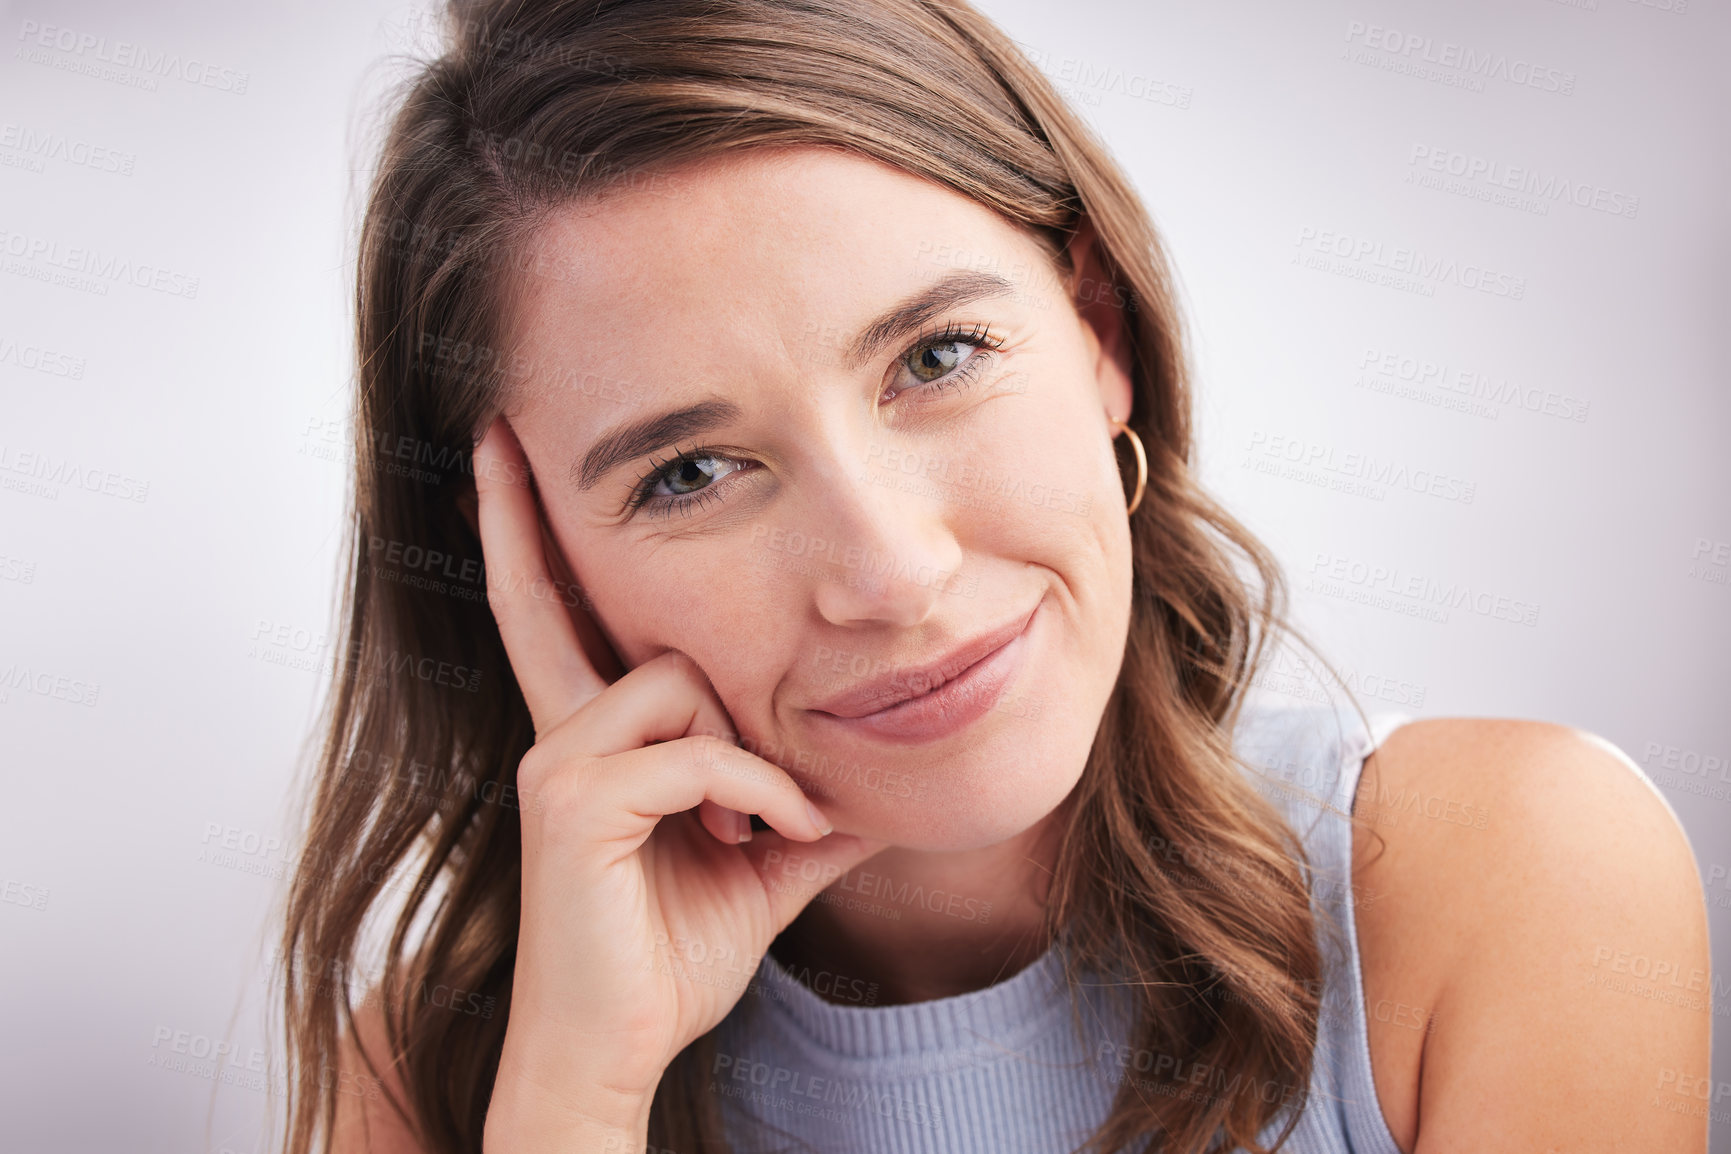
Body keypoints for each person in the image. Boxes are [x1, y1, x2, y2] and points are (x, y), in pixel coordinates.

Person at [276, 2, 1712, 1152]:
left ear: (1096, 330)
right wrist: (579, 1112)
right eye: (691, 473)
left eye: (937, 358)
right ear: (540, 572)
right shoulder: (458, 1074)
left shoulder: (1492, 881)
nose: (893, 571)